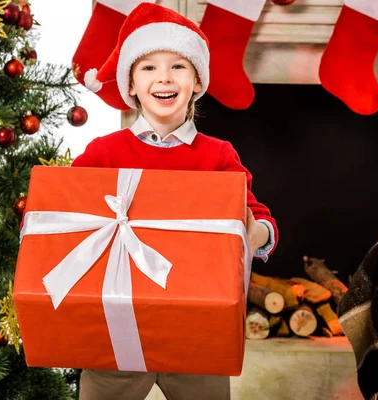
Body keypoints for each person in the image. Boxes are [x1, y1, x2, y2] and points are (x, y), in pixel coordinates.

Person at [71, 3, 278, 399]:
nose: (163, 77)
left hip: (197, 331)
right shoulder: (102, 154)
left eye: (178, 67)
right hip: (116, 331)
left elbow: (259, 216)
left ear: (197, 81)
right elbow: (61, 211)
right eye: (148, 67)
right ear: (130, 84)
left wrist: (256, 233)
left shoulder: (218, 155)